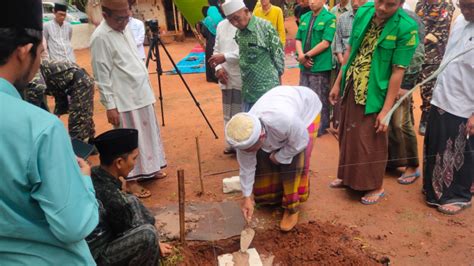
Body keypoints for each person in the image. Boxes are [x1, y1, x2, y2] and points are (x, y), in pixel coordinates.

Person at [0, 0, 98, 264]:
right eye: (40, 54)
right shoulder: (40, 128)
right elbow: (74, 225)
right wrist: (84, 181)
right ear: (24, 51)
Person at [328, 0, 419, 204]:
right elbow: (350, 49)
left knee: (370, 139)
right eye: (379, 1)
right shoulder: (365, 12)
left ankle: (375, 186)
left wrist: (386, 110)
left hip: (376, 92)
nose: (382, 8)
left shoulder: (406, 27)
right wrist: (337, 84)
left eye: (390, 4)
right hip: (352, 83)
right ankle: (347, 177)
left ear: (401, 4)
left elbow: (398, 71)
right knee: (347, 133)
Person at [90, 0, 167, 198]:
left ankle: (151, 167)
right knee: (128, 141)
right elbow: (102, 74)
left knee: (148, 133)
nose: (125, 21)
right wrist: (110, 106)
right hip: (123, 98)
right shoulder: (100, 37)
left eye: (127, 16)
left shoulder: (124, 28)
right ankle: (131, 181)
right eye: (120, 18)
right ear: (105, 15)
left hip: (141, 92)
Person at [225, 86, 322, 231]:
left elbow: (301, 142)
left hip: (306, 111)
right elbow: (247, 167)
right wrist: (246, 197)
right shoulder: (244, 135)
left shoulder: (285, 121)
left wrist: (280, 156)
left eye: (251, 148)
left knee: (294, 161)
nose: (248, 152)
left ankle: (292, 207)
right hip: (282, 106)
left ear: (262, 136)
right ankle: (274, 197)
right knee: (263, 158)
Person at [87, 129, 173, 264]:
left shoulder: (94, 173)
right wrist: (154, 243)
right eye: (134, 159)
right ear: (119, 162)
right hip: (95, 256)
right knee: (147, 236)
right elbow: (125, 230)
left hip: (95, 241)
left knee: (132, 200)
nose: (135, 163)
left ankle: (155, 242)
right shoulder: (114, 198)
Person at [423, 0, 474, 215]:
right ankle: (433, 189)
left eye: (471, 6)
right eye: (462, 5)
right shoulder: (461, 20)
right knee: (436, 145)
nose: (465, 10)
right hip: (443, 95)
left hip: (465, 104)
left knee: (461, 152)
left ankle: (459, 194)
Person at [220, 0, 285, 112]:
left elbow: (278, 57)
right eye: (231, 21)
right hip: (248, 91)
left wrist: (277, 85)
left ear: (246, 11)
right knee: (251, 125)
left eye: (237, 18)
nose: (235, 23)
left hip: (266, 92)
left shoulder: (265, 27)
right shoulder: (239, 33)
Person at [387, 8, 425, 185]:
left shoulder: (410, 19)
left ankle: (412, 165)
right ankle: (393, 161)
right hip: (383, 80)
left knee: (401, 123)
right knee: (386, 123)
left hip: (402, 81)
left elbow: (417, 55)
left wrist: (406, 85)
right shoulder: (380, 15)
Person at [24, 59, 96, 142]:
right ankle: (91, 146)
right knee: (84, 116)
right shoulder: (37, 67)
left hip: (80, 83)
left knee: (77, 122)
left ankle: (78, 151)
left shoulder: (31, 67)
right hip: (77, 83)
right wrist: (57, 112)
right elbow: (59, 87)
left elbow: (38, 87)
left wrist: (32, 110)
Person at [295, 0, 336, 137]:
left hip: (319, 65)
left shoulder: (330, 18)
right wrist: (301, 56)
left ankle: (320, 126)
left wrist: (306, 55)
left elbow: (326, 42)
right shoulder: (305, 17)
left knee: (319, 97)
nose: (312, 2)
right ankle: (306, 124)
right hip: (304, 64)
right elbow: (298, 39)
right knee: (304, 96)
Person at [415, 0, 454, 135]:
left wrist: (418, 40)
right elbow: (415, 25)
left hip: (434, 56)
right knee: (415, 86)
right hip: (417, 54)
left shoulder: (446, 5)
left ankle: (427, 118)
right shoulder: (420, 4)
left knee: (429, 89)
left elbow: (440, 31)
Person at [211, 17, 243, 154]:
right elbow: (216, 49)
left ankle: (241, 144)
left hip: (240, 75)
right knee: (227, 112)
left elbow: (244, 52)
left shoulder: (243, 25)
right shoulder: (221, 25)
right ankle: (230, 142)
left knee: (240, 111)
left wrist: (225, 57)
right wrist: (218, 68)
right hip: (224, 75)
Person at [199, 0, 224, 83]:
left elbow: (203, 33)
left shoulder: (207, 20)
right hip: (220, 43)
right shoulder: (221, 19)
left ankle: (210, 77)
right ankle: (218, 76)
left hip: (210, 43)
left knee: (210, 59)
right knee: (219, 58)